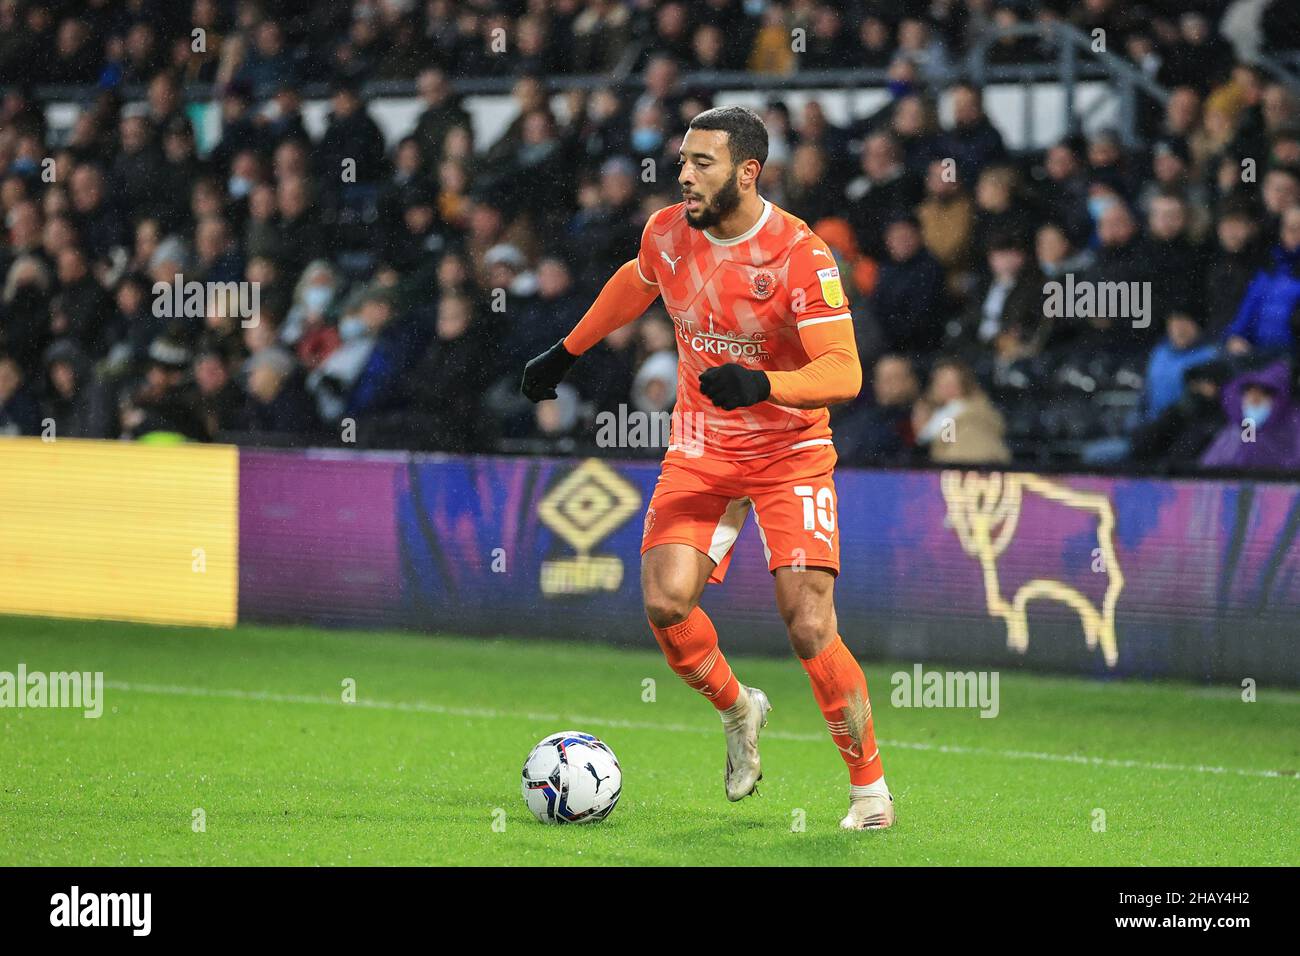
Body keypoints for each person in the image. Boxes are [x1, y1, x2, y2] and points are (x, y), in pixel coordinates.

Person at [520, 106, 893, 831]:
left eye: (703, 163)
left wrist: (766, 385)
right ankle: (737, 708)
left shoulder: (801, 255)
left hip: (790, 454)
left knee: (809, 624)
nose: (684, 174)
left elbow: (845, 370)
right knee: (665, 602)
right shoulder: (667, 231)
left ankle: (869, 790)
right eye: (683, 160)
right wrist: (567, 350)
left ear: (748, 173)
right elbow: (638, 279)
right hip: (702, 447)